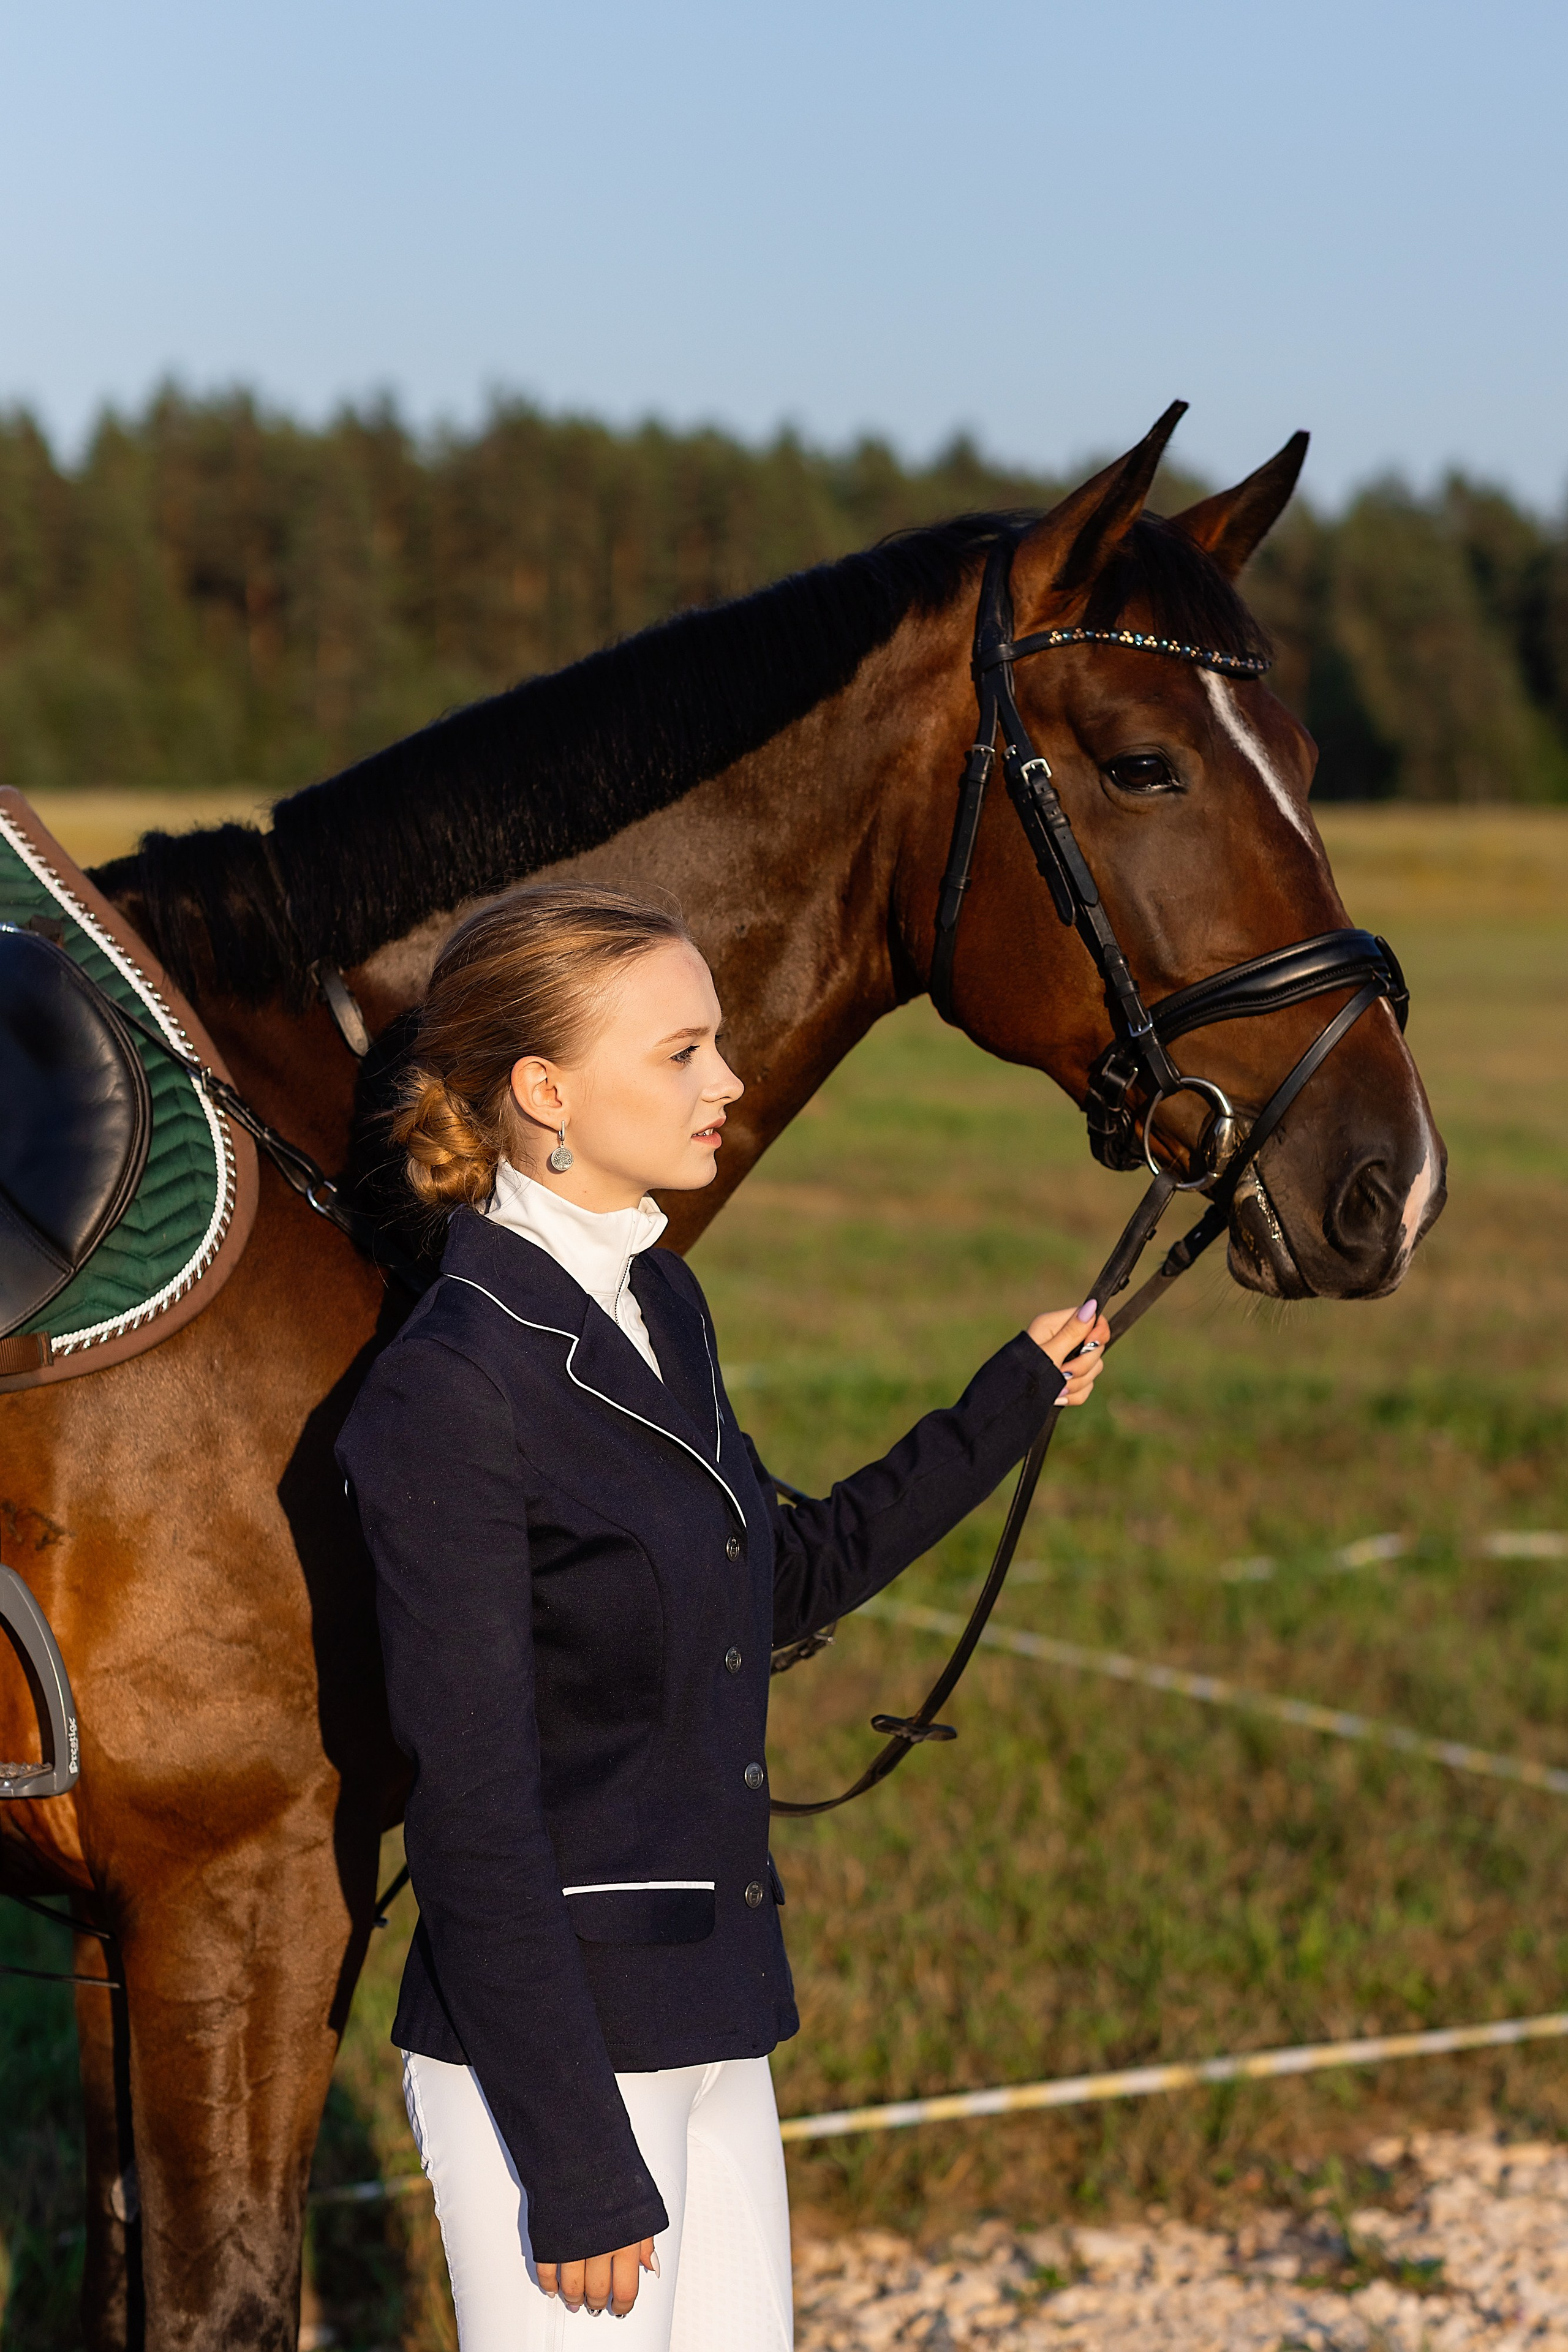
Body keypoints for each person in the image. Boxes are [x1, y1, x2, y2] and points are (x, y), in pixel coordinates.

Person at [336, 883, 1110, 2351]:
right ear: (545, 1093)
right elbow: (472, 1810)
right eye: (681, 1052)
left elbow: (781, 1572)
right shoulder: (450, 1387)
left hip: (711, 2014)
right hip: (557, 2062)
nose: (730, 1083)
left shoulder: (661, 1306)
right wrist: (574, 2165)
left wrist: (1003, 1407)